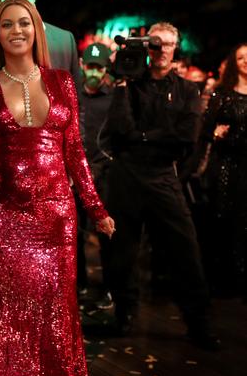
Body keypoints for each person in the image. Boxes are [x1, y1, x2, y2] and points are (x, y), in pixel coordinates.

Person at [0, 0, 114, 376]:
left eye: (24, 23)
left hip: (56, 218)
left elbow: (76, 155)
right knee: (6, 316)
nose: (16, 30)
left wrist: (96, 208)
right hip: (2, 216)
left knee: (55, 313)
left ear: (37, 31)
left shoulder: (63, 81)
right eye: (7, 24)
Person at [101, 22, 220, 350]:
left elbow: (185, 138)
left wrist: (140, 137)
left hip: (162, 177)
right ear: (146, 47)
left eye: (168, 44)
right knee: (121, 252)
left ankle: (198, 321)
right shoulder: (130, 84)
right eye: (155, 44)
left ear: (176, 47)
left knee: (186, 249)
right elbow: (119, 130)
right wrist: (123, 82)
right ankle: (124, 313)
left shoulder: (187, 90)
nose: (162, 50)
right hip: (127, 176)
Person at [199, 42, 247, 300]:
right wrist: (215, 135)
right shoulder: (223, 94)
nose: (246, 62)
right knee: (224, 219)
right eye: (241, 58)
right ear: (234, 63)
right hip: (227, 166)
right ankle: (221, 279)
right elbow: (205, 131)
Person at [75, 43, 115, 305]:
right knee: (74, 233)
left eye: (99, 68)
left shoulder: (113, 98)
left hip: (104, 174)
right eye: (91, 66)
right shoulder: (73, 95)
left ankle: (109, 288)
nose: (94, 72)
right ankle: (78, 285)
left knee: (106, 232)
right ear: (82, 65)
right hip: (75, 174)